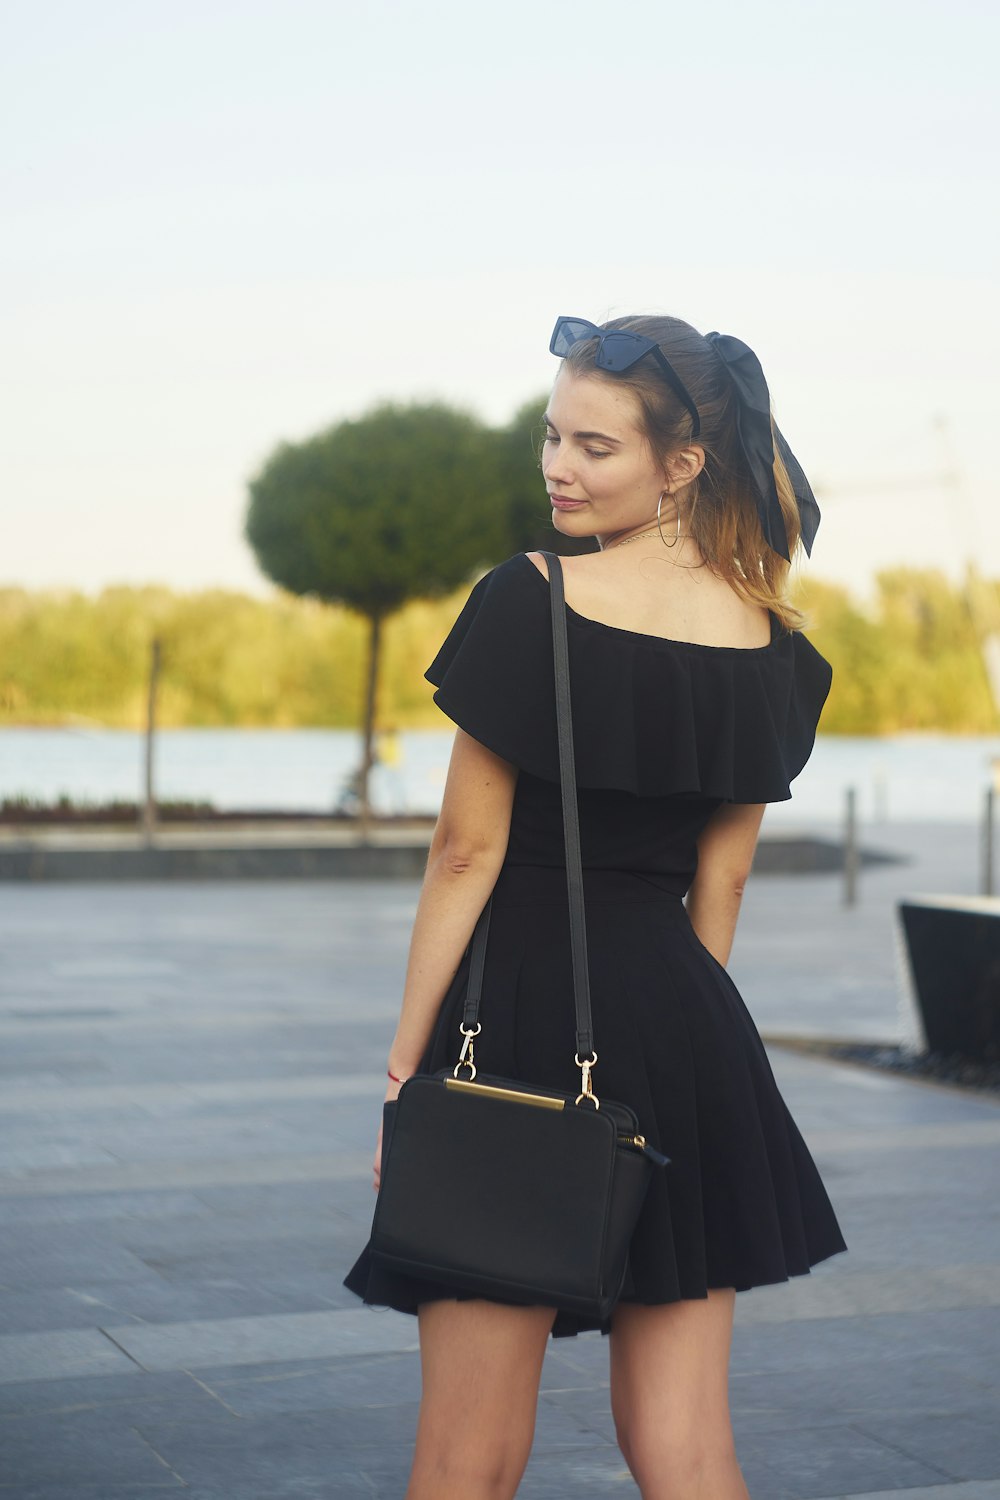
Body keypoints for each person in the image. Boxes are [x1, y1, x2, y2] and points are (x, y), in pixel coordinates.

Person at [344, 313, 848, 1500]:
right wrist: (672, 1045)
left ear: (680, 465)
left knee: (467, 1453)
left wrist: (404, 1067)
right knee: (684, 1444)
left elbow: (467, 854)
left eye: (594, 447)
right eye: (551, 437)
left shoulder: (527, 602)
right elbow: (716, 888)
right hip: (687, 1024)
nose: (558, 468)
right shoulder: (774, 643)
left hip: (515, 1017)